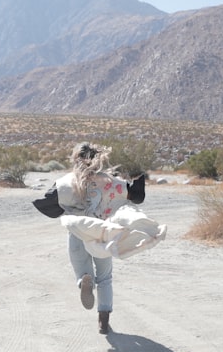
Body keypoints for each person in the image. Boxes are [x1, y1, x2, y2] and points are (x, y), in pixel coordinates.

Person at [33, 142, 146, 334]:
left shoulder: (65, 183)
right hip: (103, 234)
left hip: (78, 234)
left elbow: (45, 204)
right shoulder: (110, 181)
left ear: (75, 159)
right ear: (97, 158)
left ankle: (84, 280)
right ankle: (103, 320)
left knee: (81, 269)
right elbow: (137, 195)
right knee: (105, 277)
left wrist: (67, 210)